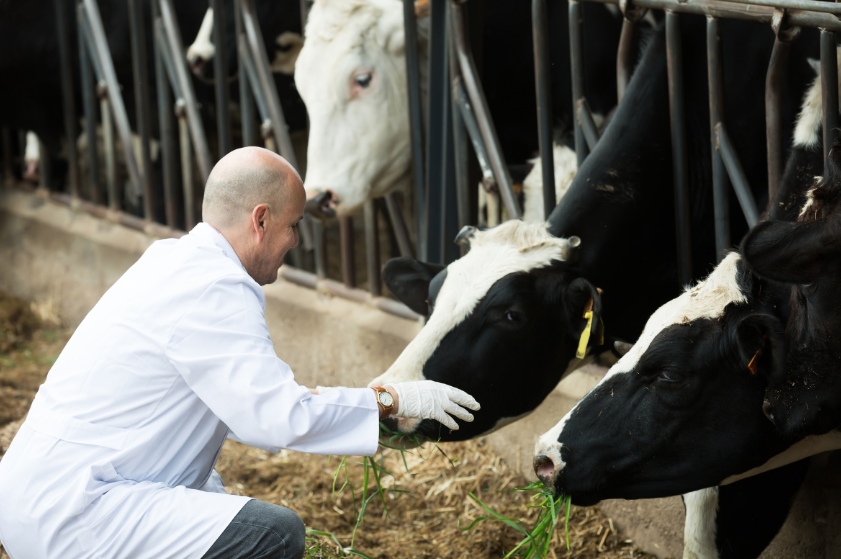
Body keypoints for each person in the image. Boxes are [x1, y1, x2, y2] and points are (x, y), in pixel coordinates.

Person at [0, 147, 480, 559]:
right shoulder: (215, 287)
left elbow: (246, 408)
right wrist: (392, 401)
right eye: (292, 226)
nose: (296, 241)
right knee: (271, 534)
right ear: (262, 220)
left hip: (38, 493)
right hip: (77, 510)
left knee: (214, 497)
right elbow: (272, 416)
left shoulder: (172, 260)